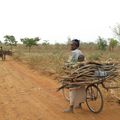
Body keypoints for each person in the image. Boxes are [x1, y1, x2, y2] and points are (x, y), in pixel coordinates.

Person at [64, 39, 86, 113]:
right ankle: (79, 104)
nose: (71, 46)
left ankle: (71, 108)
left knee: (72, 89)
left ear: (75, 46)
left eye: (72, 44)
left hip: (76, 74)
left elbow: (71, 63)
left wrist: (66, 65)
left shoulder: (73, 53)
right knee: (81, 88)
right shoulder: (80, 52)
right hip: (83, 73)